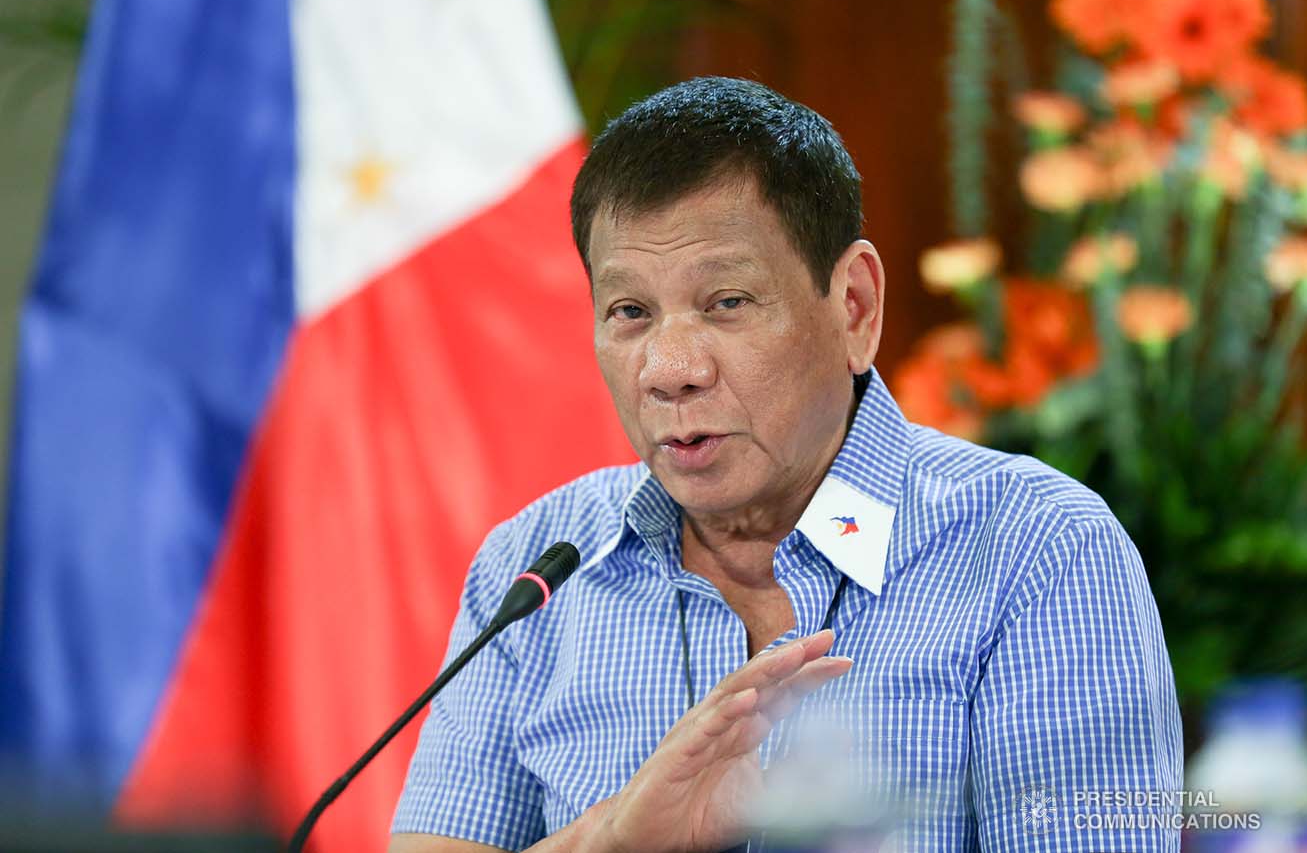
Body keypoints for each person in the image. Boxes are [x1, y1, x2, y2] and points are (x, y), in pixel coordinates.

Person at [389, 77, 1183, 853]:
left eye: (726, 301)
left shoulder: (1036, 552)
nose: (669, 368)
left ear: (854, 308)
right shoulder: (535, 569)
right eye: (629, 312)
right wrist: (609, 839)